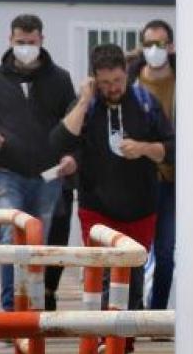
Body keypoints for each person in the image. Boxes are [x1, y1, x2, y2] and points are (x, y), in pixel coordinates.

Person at [52, 44, 174, 329]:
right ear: (94, 79)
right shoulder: (88, 104)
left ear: (126, 75)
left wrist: (145, 148)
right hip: (97, 206)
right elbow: (58, 142)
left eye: (118, 81)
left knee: (133, 276)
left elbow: (172, 147)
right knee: (103, 274)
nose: (112, 88)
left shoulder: (145, 102)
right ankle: (103, 339)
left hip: (140, 207)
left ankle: (124, 342)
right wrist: (83, 101)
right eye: (105, 83)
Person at [0, 14, 78, 310]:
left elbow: (73, 124)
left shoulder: (60, 79)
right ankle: (11, 308)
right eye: (20, 42)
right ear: (10, 41)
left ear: (42, 40)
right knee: (10, 238)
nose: (25, 47)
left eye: (31, 42)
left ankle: (36, 306)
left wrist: (71, 156)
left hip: (49, 176)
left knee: (38, 242)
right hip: (7, 173)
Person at [130, 19, 178, 310]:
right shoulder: (131, 84)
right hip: (140, 179)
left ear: (171, 46)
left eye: (160, 43)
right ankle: (134, 308)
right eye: (149, 44)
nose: (154, 49)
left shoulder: (186, 80)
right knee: (137, 248)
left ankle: (157, 311)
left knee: (165, 250)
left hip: (174, 179)